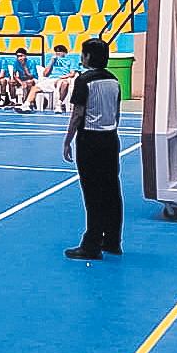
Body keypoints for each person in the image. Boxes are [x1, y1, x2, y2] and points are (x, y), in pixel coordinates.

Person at [64, 38, 124, 260]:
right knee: (111, 190)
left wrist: (67, 140)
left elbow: (78, 114)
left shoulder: (83, 80)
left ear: (88, 56)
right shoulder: (114, 81)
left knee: (92, 193)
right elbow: (117, 113)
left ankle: (91, 244)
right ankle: (113, 240)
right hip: (110, 139)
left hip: (90, 140)